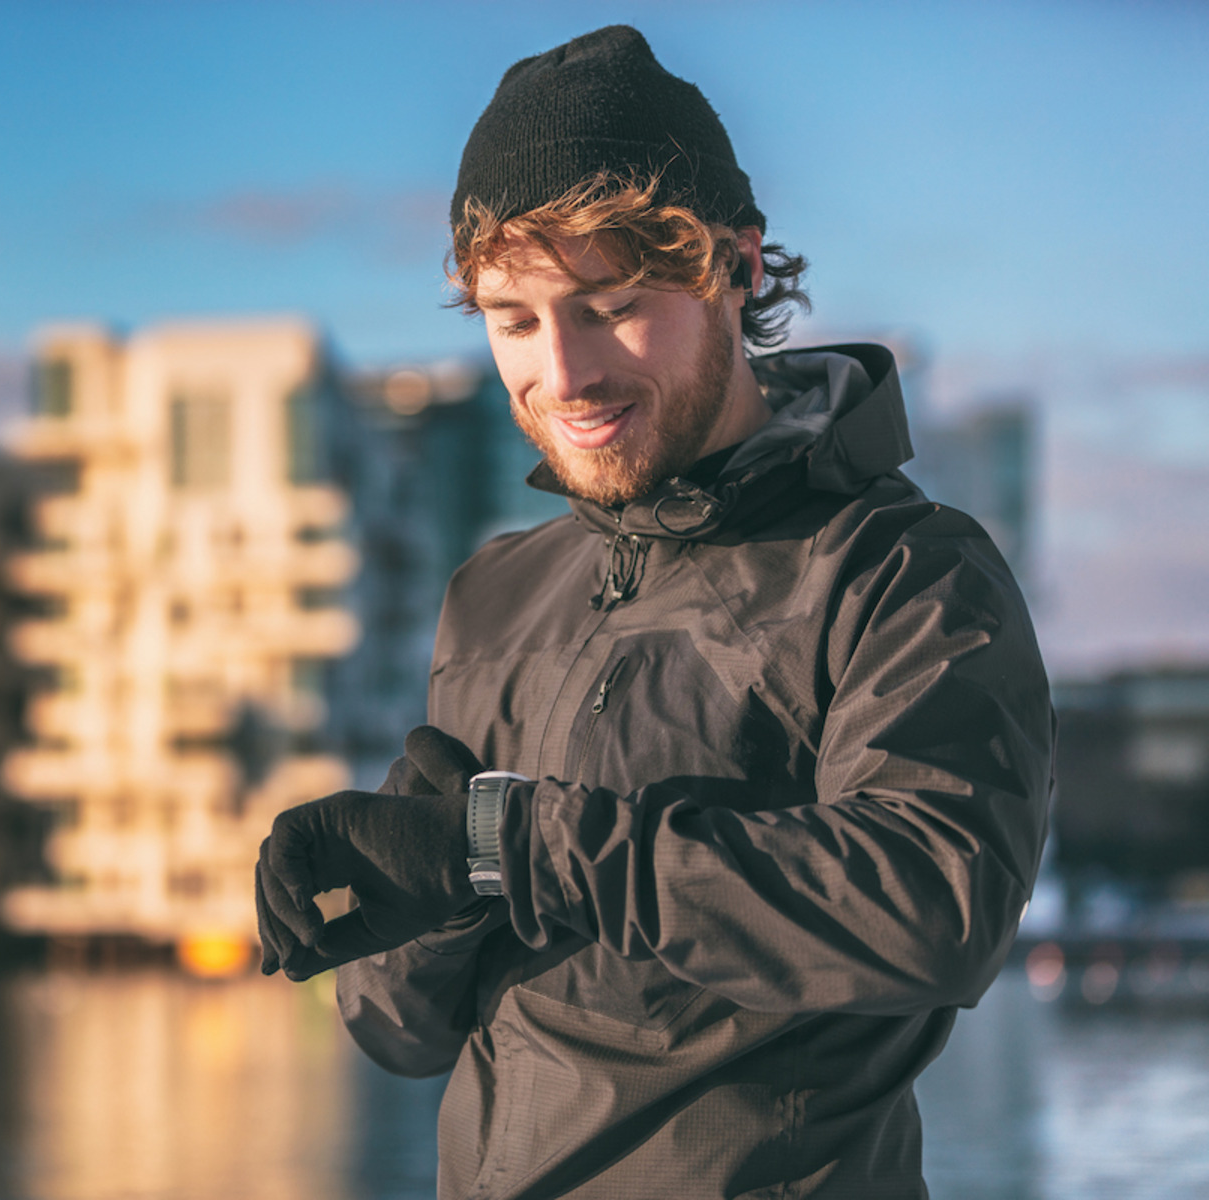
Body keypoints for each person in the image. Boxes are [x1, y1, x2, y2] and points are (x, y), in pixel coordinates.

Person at [253, 22, 1054, 1200]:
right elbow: (402, 1033)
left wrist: (503, 842)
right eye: (515, 321)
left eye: (611, 304)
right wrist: (410, 884)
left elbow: (934, 905)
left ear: (735, 267)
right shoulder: (494, 594)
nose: (564, 376)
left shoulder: (901, 569)